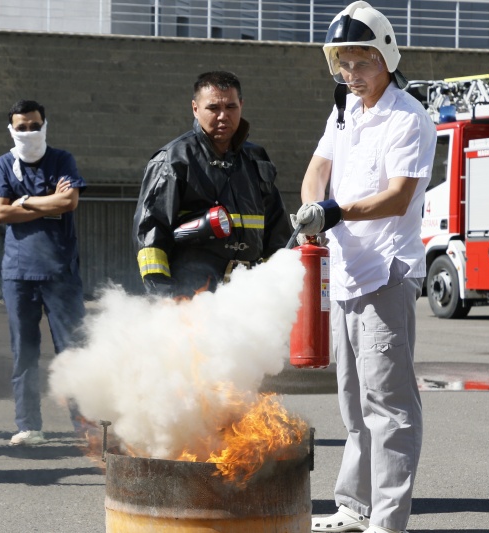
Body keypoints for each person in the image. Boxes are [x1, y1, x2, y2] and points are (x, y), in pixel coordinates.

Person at [296, 3, 437, 533]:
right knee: (353, 403)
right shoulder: (344, 113)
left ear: (386, 57)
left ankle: (388, 519)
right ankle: (353, 507)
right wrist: (313, 208)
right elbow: (317, 170)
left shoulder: (407, 117)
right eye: (342, 64)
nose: (350, 74)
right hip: (348, 273)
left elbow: (398, 198)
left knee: (390, 406)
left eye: (361, 62)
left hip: (385, 273)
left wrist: (332, 211)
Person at [133, 71, 290, 298]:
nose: (223, 115)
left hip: (249, 294)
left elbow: (277, 231)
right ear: (195, 109)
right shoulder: (174, 159)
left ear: (241, 106)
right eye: (213, 108)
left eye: (231, 107)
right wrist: (166, 295)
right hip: (192, 293)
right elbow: (150, 231)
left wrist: (273, 286)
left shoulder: (256, 158)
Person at [0, 100, 87, 446]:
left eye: (34, 124)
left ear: (45, 124)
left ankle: (85, 426)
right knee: (24, 352)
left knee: (73, 352)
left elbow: (68, 202)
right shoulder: (3, 164)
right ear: (12, 129)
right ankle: (29, 425)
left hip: (61, 274)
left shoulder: (62, 160)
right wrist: (44, 201)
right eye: (22, 126)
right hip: (18, 274)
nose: (29, 131)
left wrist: (24, 202)